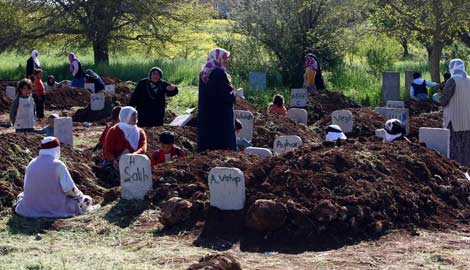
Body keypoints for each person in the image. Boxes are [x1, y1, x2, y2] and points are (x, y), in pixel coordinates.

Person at [15, 137, 95, 218]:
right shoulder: (58, 165)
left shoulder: (31, 163)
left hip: (30, 209)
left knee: (21, 195)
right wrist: (79, 196)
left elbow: (26, 188)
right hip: (55, 208)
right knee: (87, 200)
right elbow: (70, 190)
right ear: (57, 149)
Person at [198, 48, 237, 152]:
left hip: (207, 115)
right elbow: (226, 96)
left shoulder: (205, 72)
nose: (226, 62)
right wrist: (234, 95)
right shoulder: (219, 73)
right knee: (222, 147)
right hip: (220, 116)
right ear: (218, 58)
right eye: (225, 59)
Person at [441, 59, 470, 166]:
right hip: (468, 120)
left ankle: (458, 169)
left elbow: (444, 100)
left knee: (454, 148)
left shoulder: (452, 81)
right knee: (466, 148)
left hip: (454, 120)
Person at [103, 106, 147, 171]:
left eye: (136, 115)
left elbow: (143, 147)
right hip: (116, 161)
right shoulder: (114, 130)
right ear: (126, 116)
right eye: (133, 115)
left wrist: (134, 155)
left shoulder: (140, 132)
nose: (136, 117)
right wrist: (113, 160)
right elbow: (107, 150)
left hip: (134, 160)